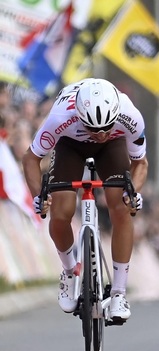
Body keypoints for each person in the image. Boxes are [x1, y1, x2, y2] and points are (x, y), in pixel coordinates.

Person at [22, 78, 148, 322]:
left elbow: (140, 163)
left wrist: (133, 192)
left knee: (121, 208)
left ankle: (119, 292)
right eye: (94, 129)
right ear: (79, 116)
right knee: (61, 212)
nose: (100, 135)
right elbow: (30, 158)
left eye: (105, 127)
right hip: (71, 145)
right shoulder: (60, 117)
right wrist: (39, 196)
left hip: (114, 146)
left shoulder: (130, 116)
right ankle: (70, 272)